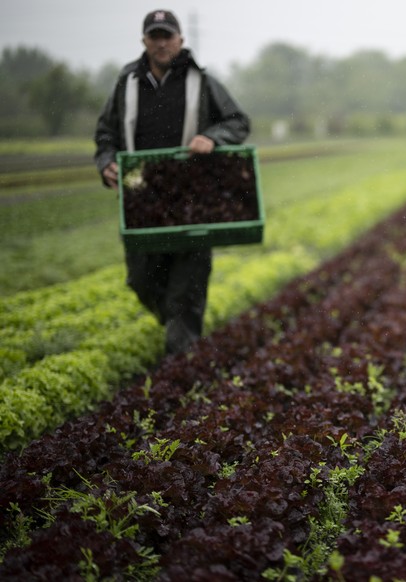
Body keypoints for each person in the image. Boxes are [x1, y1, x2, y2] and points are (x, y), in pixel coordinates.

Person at [94, 9, 250, 355]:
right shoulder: (127, 82)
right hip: (140, 201)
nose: (161, 43)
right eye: (155, 36)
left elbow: (238, 122)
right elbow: (106, 133)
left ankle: (183, 367)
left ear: (180, 40)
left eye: (168, 36)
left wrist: (213, 137)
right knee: (140, 280)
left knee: (187, 286)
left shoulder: (202, 81)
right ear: (144, 41)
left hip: (191, 202)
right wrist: (106, 163)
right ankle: (179, 327)